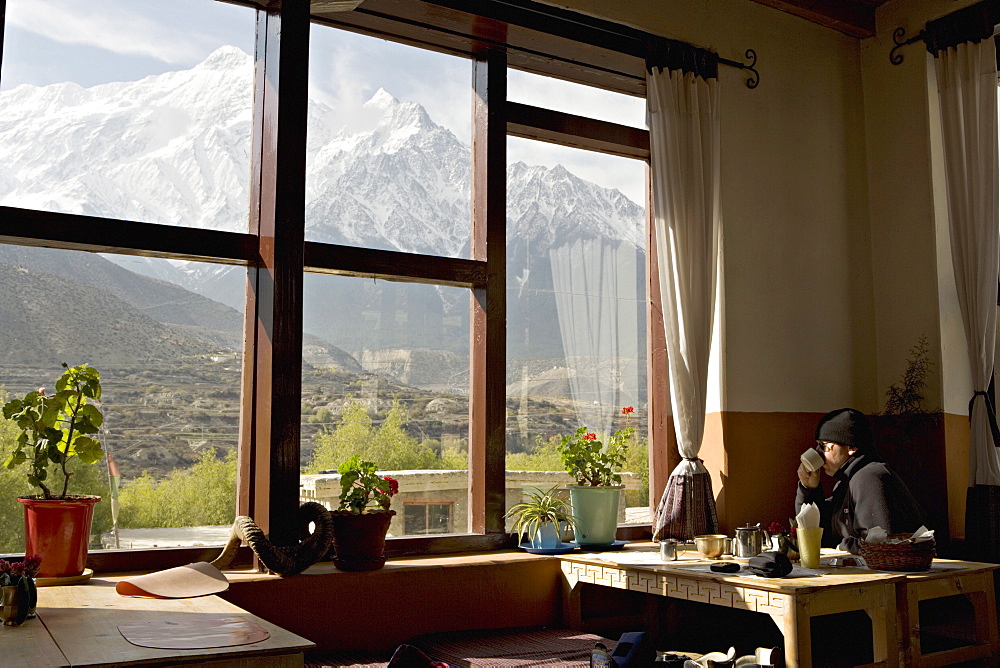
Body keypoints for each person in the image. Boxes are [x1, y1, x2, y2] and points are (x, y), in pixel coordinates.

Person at [795, 407, 927, 555]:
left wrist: (843, 547)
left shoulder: (870, 478)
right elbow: (819, 531)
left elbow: (880, 542)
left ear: (851, 447)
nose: (818, 453)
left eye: (824, 446)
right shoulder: (846, 481)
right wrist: (809, 489)